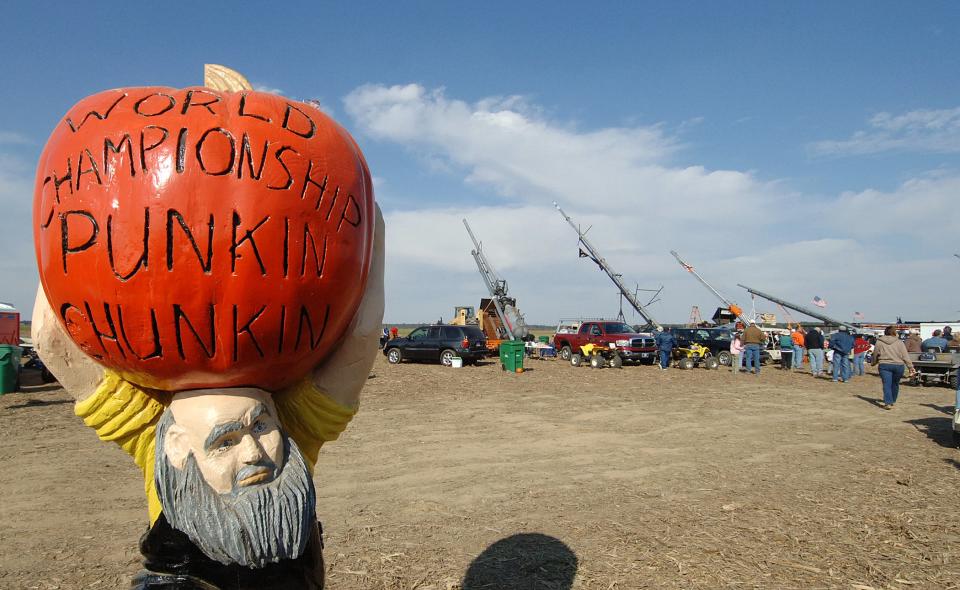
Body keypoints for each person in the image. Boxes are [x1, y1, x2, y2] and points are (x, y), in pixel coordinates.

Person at [871, 325, 916, 409]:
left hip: (884, 365)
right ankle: (893, 400)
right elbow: (905, 356)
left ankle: (888, 402)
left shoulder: (879, 342)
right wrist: (910, 367)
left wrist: (873, 363)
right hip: (898, 365)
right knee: (895, 384)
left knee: (886, 384)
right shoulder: (899, 342)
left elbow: (875, 354)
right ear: (894, 332)